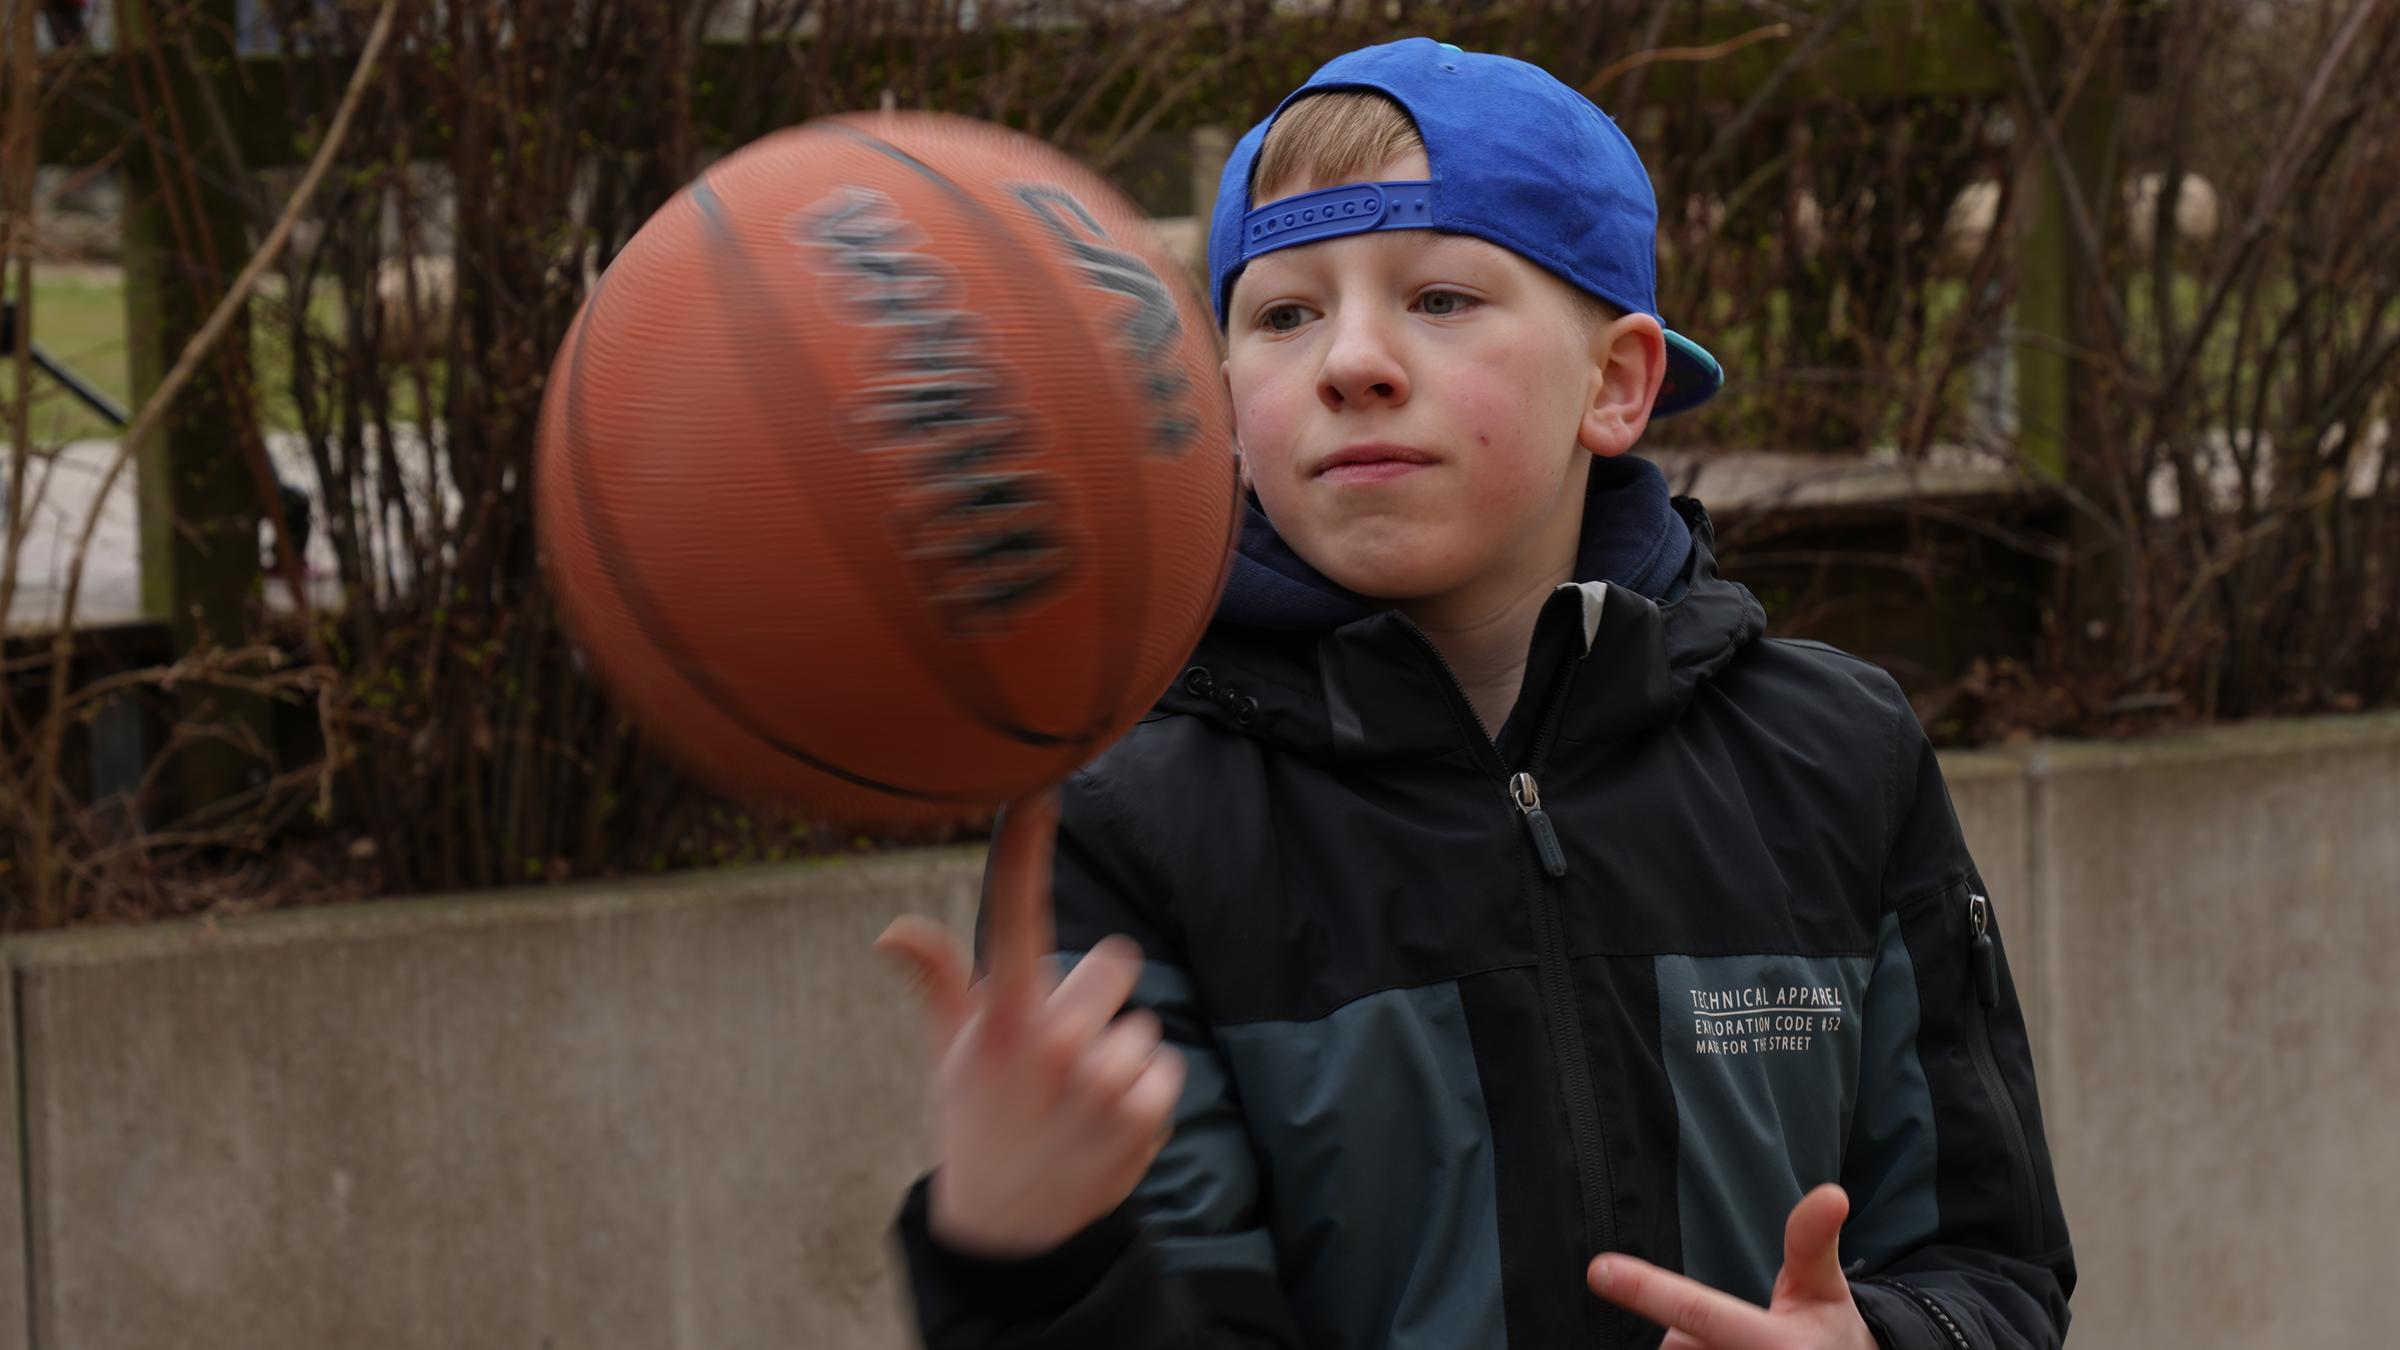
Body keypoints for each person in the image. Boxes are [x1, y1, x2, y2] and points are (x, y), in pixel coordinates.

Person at [876, 38, 2073, 1350]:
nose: (1351, 360)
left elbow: (1992, 1266)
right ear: (1224, 411)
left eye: (1440, 297)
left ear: (1616, 382)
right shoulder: (1126, 820)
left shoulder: (1838, 756)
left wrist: (1880, 1339)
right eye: (1284, 316)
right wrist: (1029, 1262)